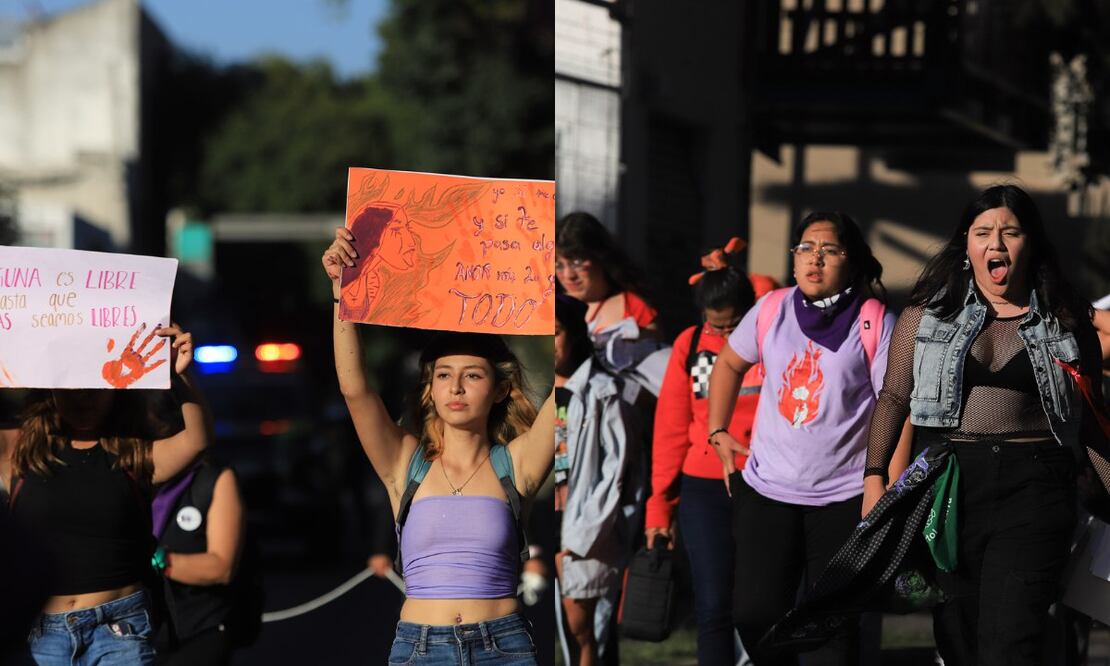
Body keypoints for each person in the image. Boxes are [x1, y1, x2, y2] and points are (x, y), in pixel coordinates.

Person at [861, 184, 1110, 665]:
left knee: (1010, 644)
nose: (996, 243)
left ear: (1030, 244)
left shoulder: (1067, 320)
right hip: (952, 485)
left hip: (1036, 487)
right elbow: (894, 397)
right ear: (966, 245)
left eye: (1010, 232)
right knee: (960, 642)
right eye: (983, 232)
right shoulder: (925, 316)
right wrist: (875, 480)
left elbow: (1094, 422)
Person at [323, 227, 555, 665]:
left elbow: (567, 392)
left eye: (473, 375)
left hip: (504, 647)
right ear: (430, 388)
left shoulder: (517, 462)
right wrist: (343, 294)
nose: (457, 387)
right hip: (421, 647)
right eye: (444, 374)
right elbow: (356, 391)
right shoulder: (404, 462)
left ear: (501, 389)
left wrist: (566, 304)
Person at [707, 212, 901, 665]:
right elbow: (729, 364)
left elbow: (896, 404)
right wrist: (719, 431)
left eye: (830, 250)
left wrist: (885, 483)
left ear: (851, 262)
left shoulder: (873, 321)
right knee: (753, 614)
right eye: (806, 248)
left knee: (833, 628)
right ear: (793, 259)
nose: (816, 259)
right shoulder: (771, 308)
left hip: (845, 495)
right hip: (767, 490)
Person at [6, 324, 206, 666]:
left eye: (95, 387)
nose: (83, 397)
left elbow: (197, 440)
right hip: (40, 636)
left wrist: (180, 377)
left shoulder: (136, 456)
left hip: (118, 630)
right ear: (51, 390)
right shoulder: (20, 450)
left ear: (116, 389)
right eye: (71, 387)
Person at [644, 239, 773, 666]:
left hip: (766, 482)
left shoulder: (774, 338)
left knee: (765, 605)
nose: (724, 335)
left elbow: (768, 286)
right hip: (703, 487)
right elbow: (670, 430)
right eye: (716, 326)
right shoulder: (690, 344)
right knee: (713, 605)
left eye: (734, 324)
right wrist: (659, 507)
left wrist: (729, 269)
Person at [554, 293, 643, 666]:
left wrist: (581, 537)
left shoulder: (602, 391)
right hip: (537, 523)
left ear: (573, 335)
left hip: (580, 526)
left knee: (579, 630)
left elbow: (616, 470)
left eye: (555, 332)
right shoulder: (521, 393)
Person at [151, 457, 246, 666]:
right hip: (132, 633)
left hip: (197, 629)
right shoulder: (125, 475)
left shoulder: (211, 479)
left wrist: (158, 560)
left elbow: (222, 567)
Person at [555, 212, 657, 336]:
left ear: (600, 257)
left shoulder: (634, 308)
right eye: (558, 265)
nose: (568, 275)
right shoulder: (544, 308)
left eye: (577, 262)